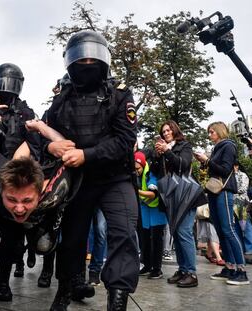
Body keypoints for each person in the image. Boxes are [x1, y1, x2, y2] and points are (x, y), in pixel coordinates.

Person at [43, 30, 139, 311]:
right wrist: (51, 149)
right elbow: (43, 135)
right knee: (72, 239)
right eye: (80, 57)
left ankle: (118, 296)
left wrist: (86, 154)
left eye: (92, 56)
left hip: (114, 178)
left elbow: (125, 141)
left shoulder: (120, 96)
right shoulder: (61, 99)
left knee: (123, 233)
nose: (86, 62)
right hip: (77, 181)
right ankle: (65, 288)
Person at [0, 63, 41, 301]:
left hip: (13, 181)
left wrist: (16, 164)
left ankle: (2, 282)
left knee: (13, 238)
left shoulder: (26, 112)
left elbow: (34, 144)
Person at [194, 122, 249, 285]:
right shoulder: (217, 148)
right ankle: (230, 266)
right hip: (213, 191)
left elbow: (225, 170)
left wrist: (207, 160)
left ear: (219, 132)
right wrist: (205, 162)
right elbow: (216, 169)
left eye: (211, 132)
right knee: (220, 230)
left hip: (223, 191)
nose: (209, 135)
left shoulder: (228, 146)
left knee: (228, 229)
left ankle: (241, 270)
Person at [151, 120, 199, 288]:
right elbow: (156, 172)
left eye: (168, 130)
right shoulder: (163, 149)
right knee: (177, 234)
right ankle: (183, 269)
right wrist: (157, 157)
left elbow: (183, 165)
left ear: (174, 130)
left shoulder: (184, 145)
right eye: (163, 131)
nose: (165, 133)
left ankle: (191, 273)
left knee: (185, 232)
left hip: (185, 195)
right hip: (170, 196)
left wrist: (168, 151)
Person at [135, 151, 167, 279]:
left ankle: (157, 269)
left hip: (156, 208)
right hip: (145, 208)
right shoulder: (137, 173)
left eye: (137, 168)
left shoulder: (151, 172)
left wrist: (137, 191)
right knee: (145, 237)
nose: (136, 171)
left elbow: (153, 193)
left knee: (157, 238)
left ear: (143, 165)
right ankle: (147, 265)